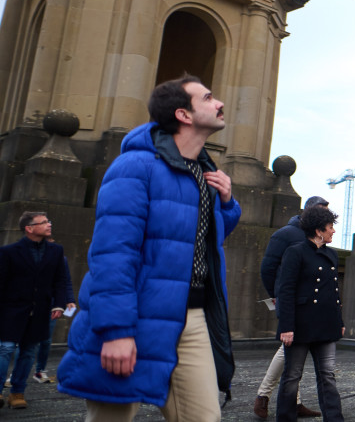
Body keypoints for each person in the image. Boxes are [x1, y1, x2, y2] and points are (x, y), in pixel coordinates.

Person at [57, 75, 241, 422]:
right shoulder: (134, 167)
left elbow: (201, 241)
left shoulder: (204, 172)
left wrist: (227, 203)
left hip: (193, 316)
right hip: (135, 316)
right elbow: (113, 254)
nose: (218, 104)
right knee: (111, 417)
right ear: (184, 115)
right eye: (208, 98)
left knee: (205, 418)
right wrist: (116, 331)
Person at [254, 195, 330, 419]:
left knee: (293, 349)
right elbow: (268, 268)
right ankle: (264, 395)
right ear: (309, 212)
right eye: (322, 212)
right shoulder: (286, 234)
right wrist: (276, 296)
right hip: (291, 301)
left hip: (310, 303)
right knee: (291, 347)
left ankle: (288, 400)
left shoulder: (316, 236)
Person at [275, 205, 345, 422]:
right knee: (292, 376)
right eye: (330, 227)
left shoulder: (331, 255)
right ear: (318, 230)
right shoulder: (295, 252)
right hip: (300, 327)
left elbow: (333, 293)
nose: (333, 231)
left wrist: (338, 321)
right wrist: (286, 326)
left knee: (328, 376)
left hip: (326, 326)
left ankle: (334, 419)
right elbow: (285, 290)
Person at [0, 212, 74, 409]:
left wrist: (59, 303)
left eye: (48, 221)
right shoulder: (9, 252)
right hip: (12, 310)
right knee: (6, 349)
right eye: (43, 222)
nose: (49, 224)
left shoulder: (56, 251)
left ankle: (17, 392)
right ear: (29, 228)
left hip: (40, 310)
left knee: (28, 352)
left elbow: (60, 280)